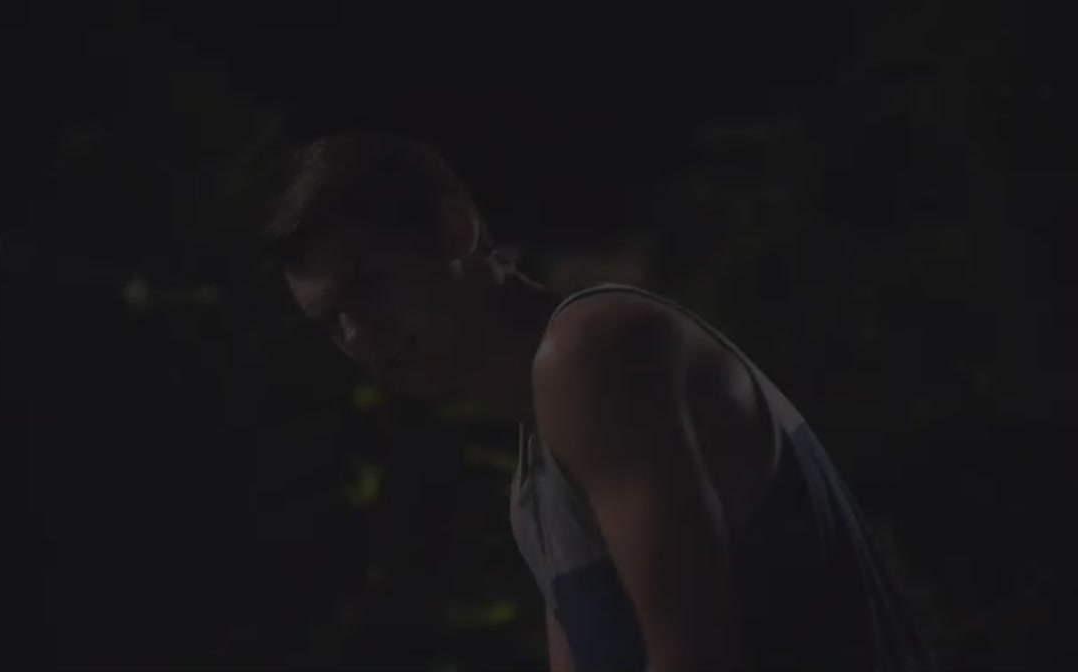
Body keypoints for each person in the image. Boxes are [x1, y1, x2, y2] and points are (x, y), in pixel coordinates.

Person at [263, 134, 935, 672]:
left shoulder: (592, 351)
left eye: (368, 285)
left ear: (454, 229)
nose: (357, 336)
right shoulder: (532, 487)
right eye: (330, 323)